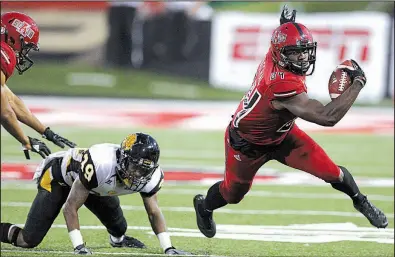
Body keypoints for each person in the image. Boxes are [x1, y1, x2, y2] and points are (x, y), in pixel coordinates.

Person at [193, 5, 388, 239]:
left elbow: (280, 40)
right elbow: (328, 117)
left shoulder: (276, 54)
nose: (303, 57)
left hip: (283, 135)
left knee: (332, 172)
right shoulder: (281, 84)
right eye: (296, 52)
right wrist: (357, 84)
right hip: (247, 144)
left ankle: (361, 201)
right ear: (281, 54)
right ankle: (204, 207)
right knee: (232, 194)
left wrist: (285, 22)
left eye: (305, 50)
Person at [0, 133, 191, 255]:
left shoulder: (151, 176)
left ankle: (118, 240)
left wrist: (169, 248)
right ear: (123, 159)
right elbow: (70, 207)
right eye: (134, 167)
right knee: (27, 240)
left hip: (92, 184)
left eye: (143, 170)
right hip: (59, 177)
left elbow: (153, 211)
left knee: (119, 227)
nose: (137, 174)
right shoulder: (101, 164)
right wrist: (79, 247)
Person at [1, 11, 76, 159]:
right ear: (11, 38)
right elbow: (5, 113)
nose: (24, 53)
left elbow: (11, 101)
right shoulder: (4, 54)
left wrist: (45, 132)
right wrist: (25, 140)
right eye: (25, 46)